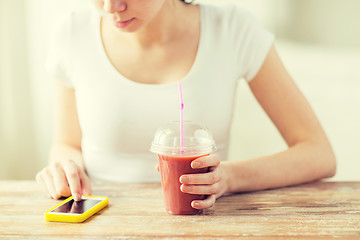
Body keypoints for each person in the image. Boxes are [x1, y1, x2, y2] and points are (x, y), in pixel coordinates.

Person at [36, 0, 336, 210]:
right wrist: (64, 167)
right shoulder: (72, 33)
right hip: (104, 222)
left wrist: (228, 178)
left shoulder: (232, 29)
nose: (111, 7)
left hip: (202, 221)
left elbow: (318, 154)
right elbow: (66, 143)